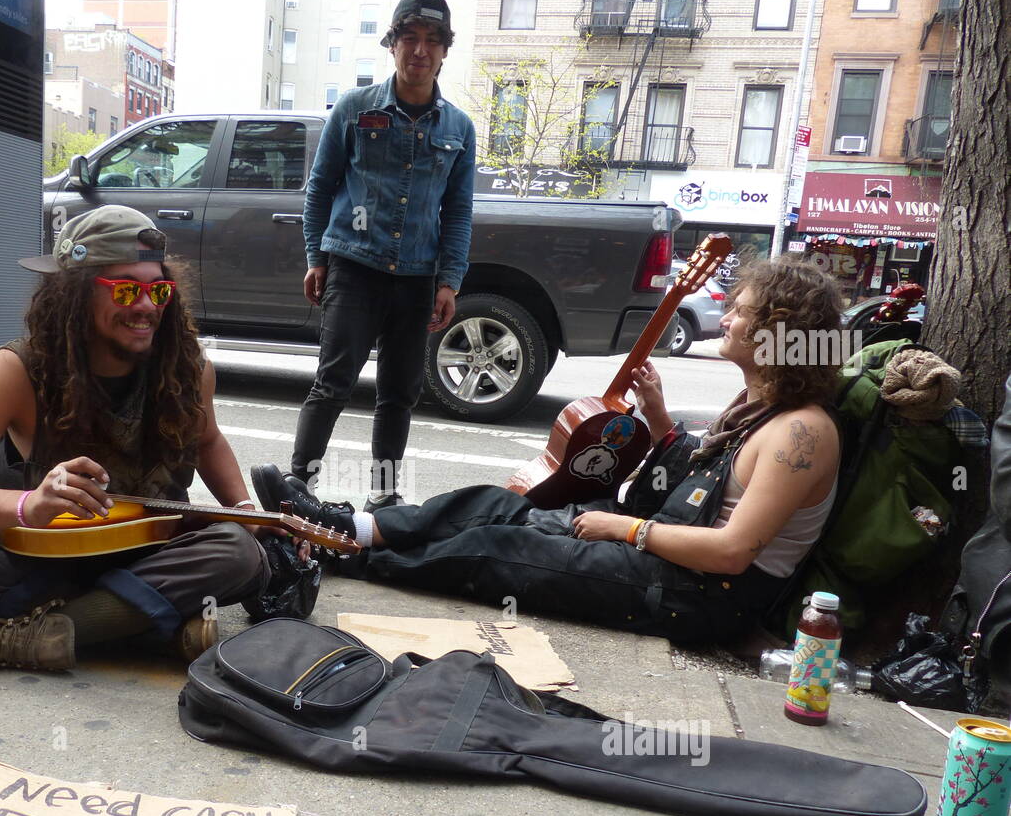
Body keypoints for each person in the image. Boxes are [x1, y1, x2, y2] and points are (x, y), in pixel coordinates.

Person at [253, 257, 846, 644]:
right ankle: (348, 524)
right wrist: (663, 422)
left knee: (494, 548)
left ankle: (331, 553)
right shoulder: (758, 404)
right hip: (669, 561)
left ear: (776, 331)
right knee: (494, 504)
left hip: (698, 598)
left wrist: (623, 529)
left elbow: (732, 553)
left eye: (741, 309)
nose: (728, 314)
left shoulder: (802, 434)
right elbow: (702, 485)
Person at [0, 206, 269, 679]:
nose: (146, 307)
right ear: (74, 293)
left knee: (237, 551)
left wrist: (246, 510)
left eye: (158, 289)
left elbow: (207, 442)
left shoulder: (189, 368)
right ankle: (142, 629)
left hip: (151, 554)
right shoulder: (16, 371)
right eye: (126, 289)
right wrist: (26, 506)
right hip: (47, 559)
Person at [268, 0, 475, 514]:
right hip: (353, 268)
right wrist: (317, 256)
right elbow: (320, 188)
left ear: (445, 51)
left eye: (432, 41)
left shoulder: (458, 129)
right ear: (393, 45)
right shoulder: (355, 109)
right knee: (332, 382)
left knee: (400, 392)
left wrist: (448, 281)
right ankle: (299, 486)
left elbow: (459, 211)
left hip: (416, 278)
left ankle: (383, 493)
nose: (420, 51)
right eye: (411, 39)